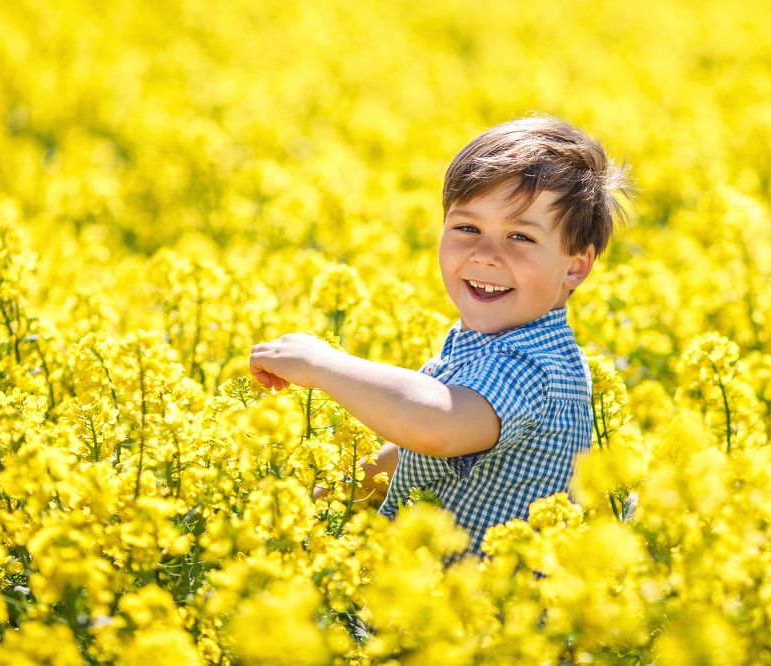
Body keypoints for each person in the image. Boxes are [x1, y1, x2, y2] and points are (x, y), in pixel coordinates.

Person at [249, 114, 632, 556]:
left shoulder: (530, 367)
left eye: (520, 237)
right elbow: (428, 451)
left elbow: (436, 426)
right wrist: (341, 492)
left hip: (483, 612)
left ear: (575, 265)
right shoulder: (493, 343)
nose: (486, 255)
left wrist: (321, 364)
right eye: (468, 228)